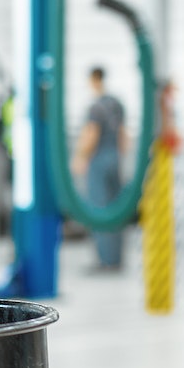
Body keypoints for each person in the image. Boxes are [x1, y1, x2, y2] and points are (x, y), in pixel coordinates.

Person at [73, 65, 128, 270]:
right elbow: (124, 135)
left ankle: (104, 260)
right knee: (117, 210)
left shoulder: (95, 106)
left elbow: (92, 133)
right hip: (114, 157)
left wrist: (80, 157)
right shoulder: (117, 103)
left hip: (98, 160)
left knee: (99, 210)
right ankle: (116, 259)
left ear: (93, 80)